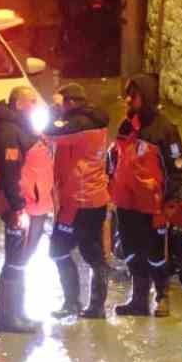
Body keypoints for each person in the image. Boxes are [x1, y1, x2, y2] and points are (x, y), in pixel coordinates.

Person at [109, 74, 182, 317]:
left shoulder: (165, 130)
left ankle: (162, 297)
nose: (128, 99)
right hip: (126, 202)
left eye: (134, 95)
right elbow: (116, 157)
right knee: (131, 250)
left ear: (147, 97)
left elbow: (177, 169)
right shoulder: (125, 125)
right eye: (128, 94)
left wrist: (170, 201)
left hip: (154, 205)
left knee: (156, 253)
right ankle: (139, 299)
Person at [45, 83, 112, 319]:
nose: (58, 108)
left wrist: (52, 114)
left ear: (71, 103)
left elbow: (49, 135)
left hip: (77, 201)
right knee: (93, 252)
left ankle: (72, 302)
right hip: (94, 198)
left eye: (60, 103)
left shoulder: (78, 125)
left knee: (59, 250)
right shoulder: (93, 120)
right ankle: (95, 306)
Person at [0, 87, 53, 334]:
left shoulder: (23, 128)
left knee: (20, 262)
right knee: (15, 261)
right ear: (18, 104)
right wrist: (18, 208)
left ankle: (17, 314)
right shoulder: (9, 131)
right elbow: (10, 173)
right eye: (32, 101)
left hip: (32, 205)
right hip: (22, 208)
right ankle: (8, 318)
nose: (37, 104)